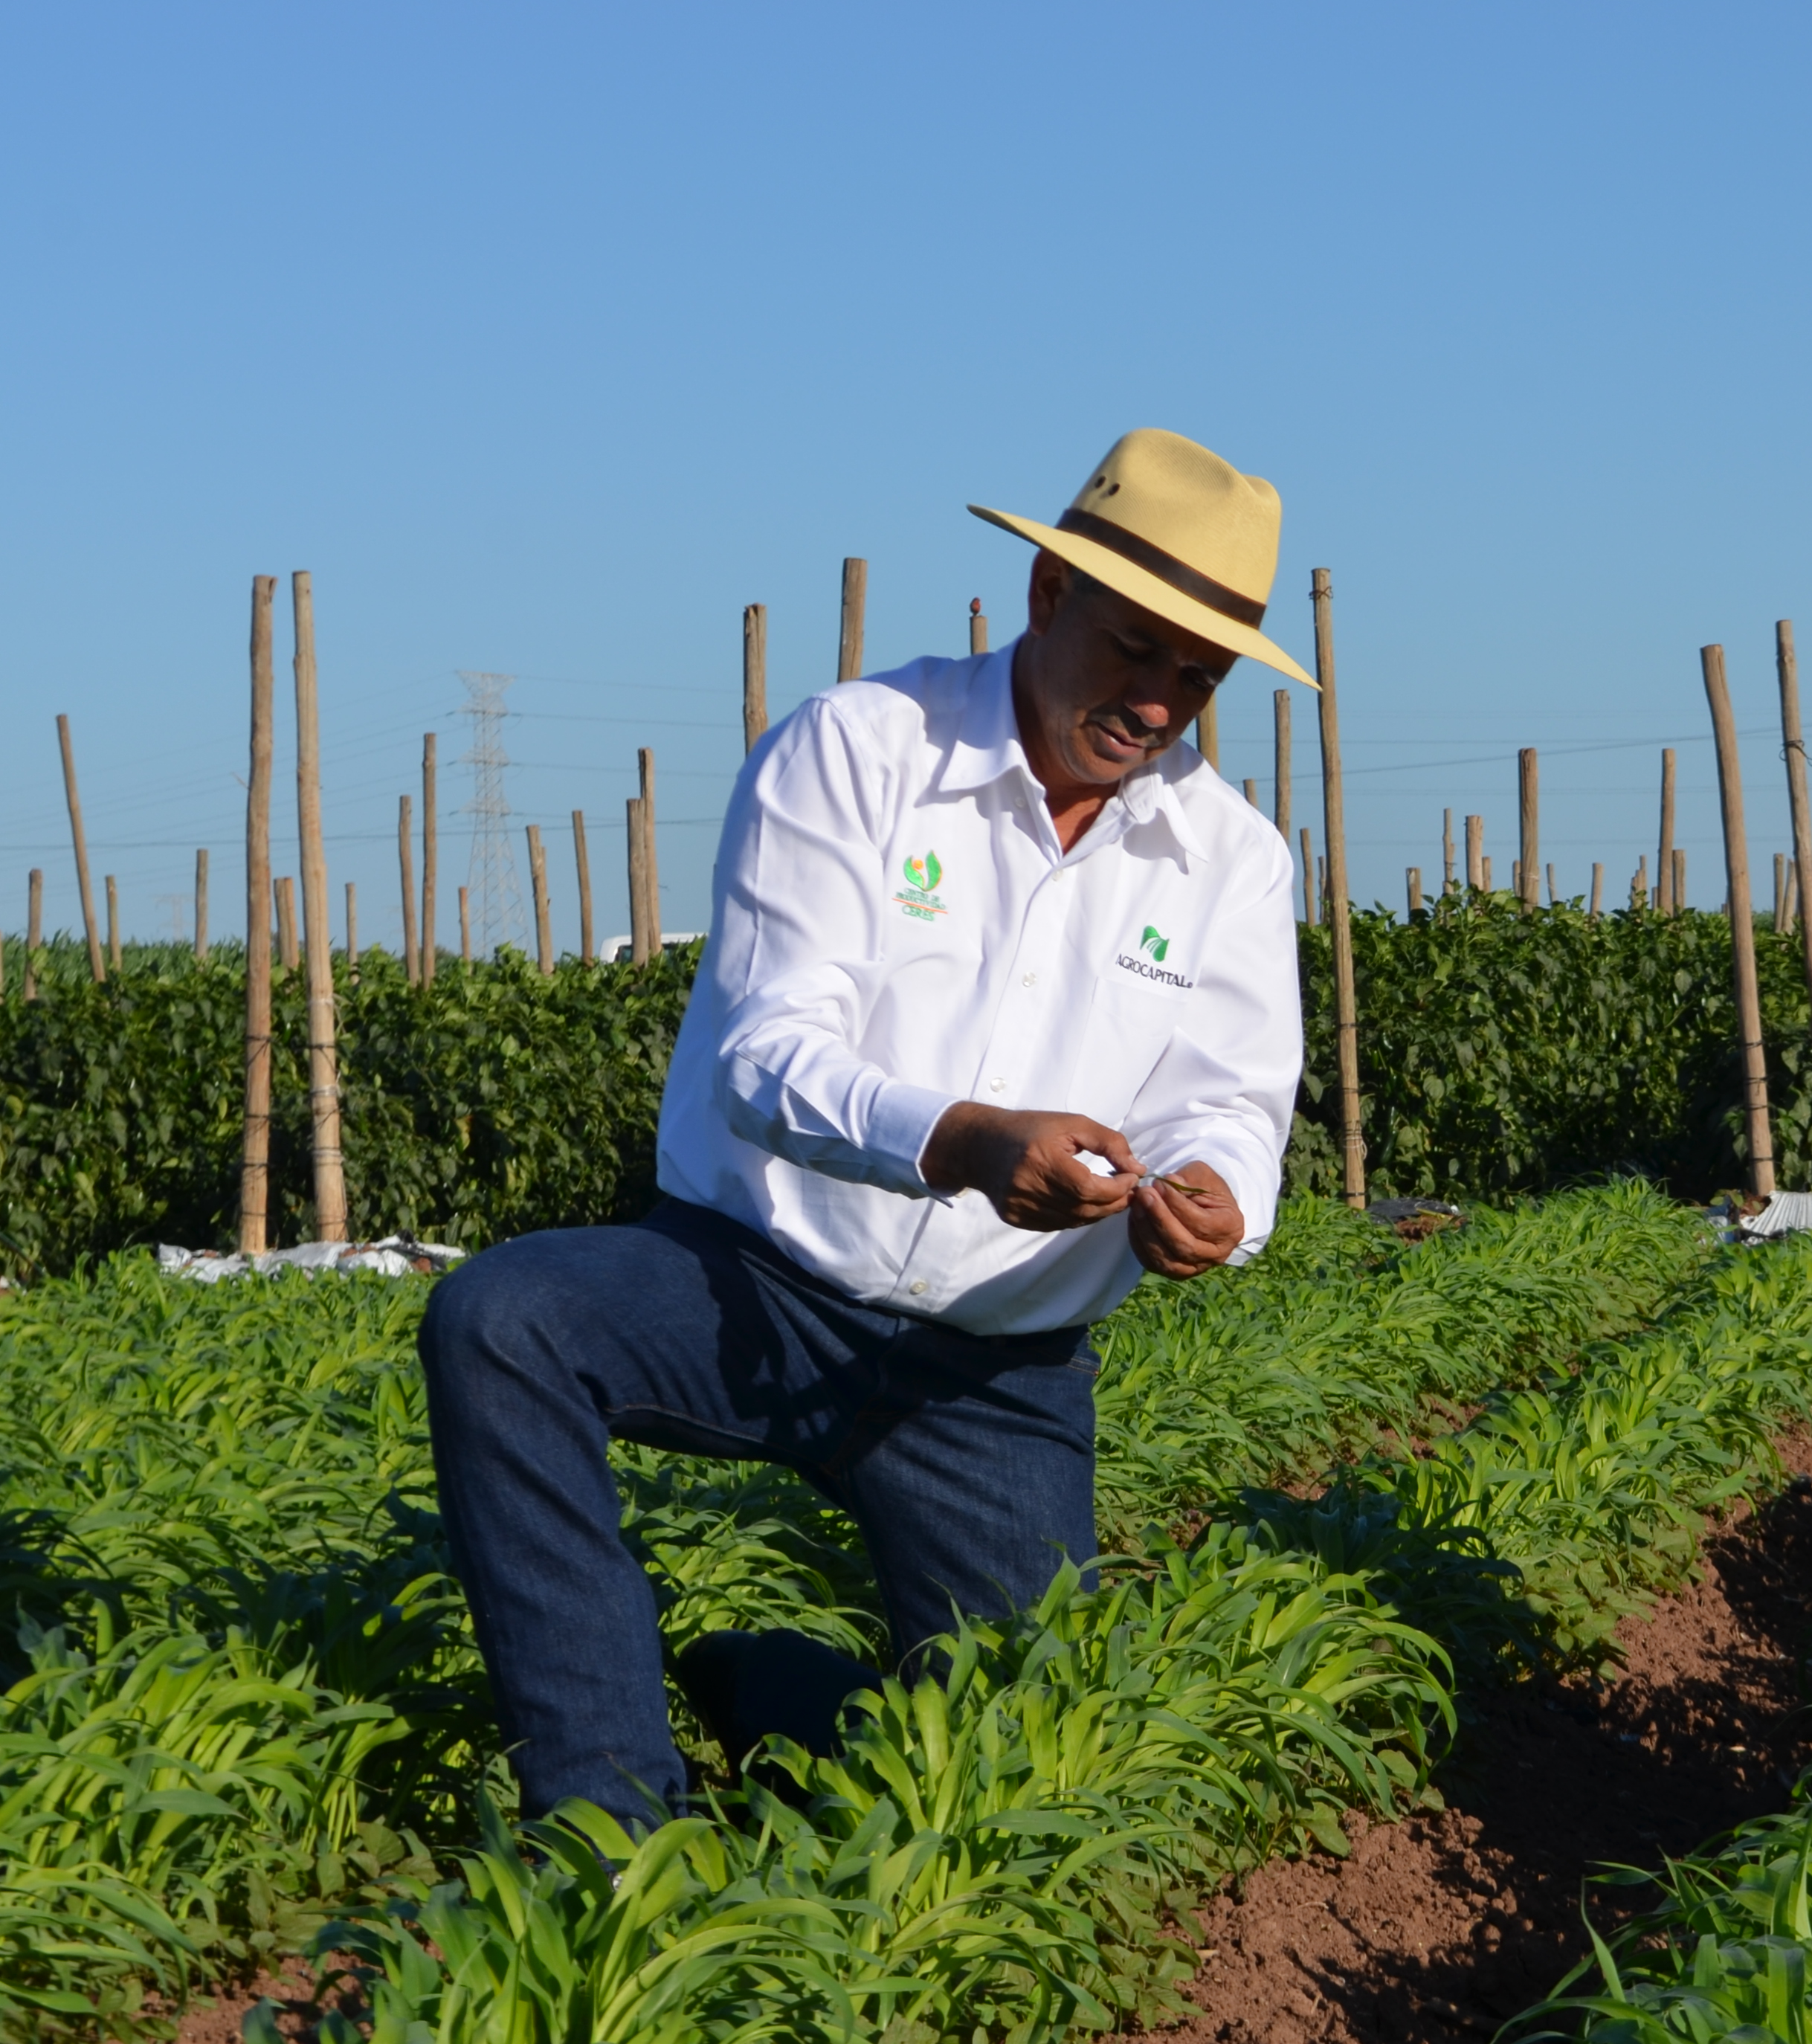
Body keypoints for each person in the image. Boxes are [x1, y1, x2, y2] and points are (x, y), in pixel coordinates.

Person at [419, 428, 1309, 1829]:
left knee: (1015, 1781)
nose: (1157, 703)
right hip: (747, 1278)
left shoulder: (1233, 866)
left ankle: (767, 1685)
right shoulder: (861, 750)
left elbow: (1233, 1100)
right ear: (1045, 596)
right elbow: (766, 1054)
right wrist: (960, 1141)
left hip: (993, 1373)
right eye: (1135, 650)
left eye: (1195, 678)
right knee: (505, 1324)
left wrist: (1216, 1194)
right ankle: (607, 1815)